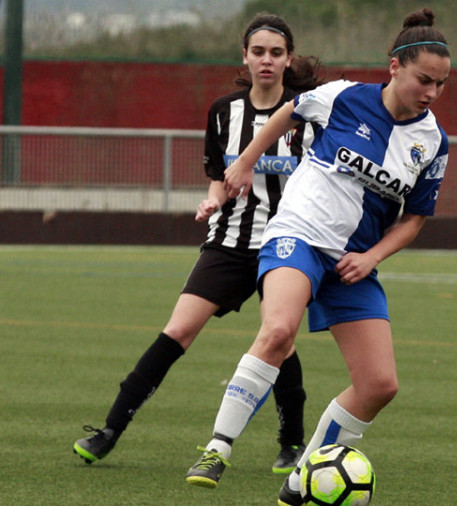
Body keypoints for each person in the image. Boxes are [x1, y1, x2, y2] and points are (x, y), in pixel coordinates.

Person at [183, 8, 451, 502]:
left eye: (441, 83)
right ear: (395, 67)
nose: (432, 92)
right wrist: (242, 163)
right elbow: (289, 111)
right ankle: (218, 447)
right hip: (299, 235)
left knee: (379, 385)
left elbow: (414, 219)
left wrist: (372, 258)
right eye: (424, 80)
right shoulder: (344, 96)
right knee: (279, 330)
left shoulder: (433, 142)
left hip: (352, 262)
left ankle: (301, 479)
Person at [74, 13, 325, 480]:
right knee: (177, 332)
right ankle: (109, 430)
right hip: (229, 242)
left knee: (280, 339)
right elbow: (218, 177)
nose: (266, 61)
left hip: (288, 245)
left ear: (289, 59)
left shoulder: (309, 113)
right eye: (258, 52)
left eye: (275, 53)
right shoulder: (222, 111)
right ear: (244, 58)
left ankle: (291, 443)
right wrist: (211, 202)